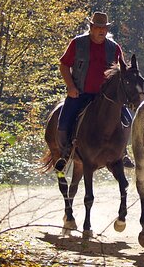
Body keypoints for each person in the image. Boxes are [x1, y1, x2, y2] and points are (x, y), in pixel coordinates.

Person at [55, 12, 130, 172]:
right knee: (64, 119)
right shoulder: (77, 44)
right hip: (81, 93)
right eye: (98, 27)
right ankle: (65, 153)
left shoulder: (114, 47)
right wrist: (70, 87)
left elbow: (122, 71)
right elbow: (64, 65)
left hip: (106, 98)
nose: (101, 31)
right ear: (91, 28)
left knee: (127, 119)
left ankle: (122, 152)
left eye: (104, 28)